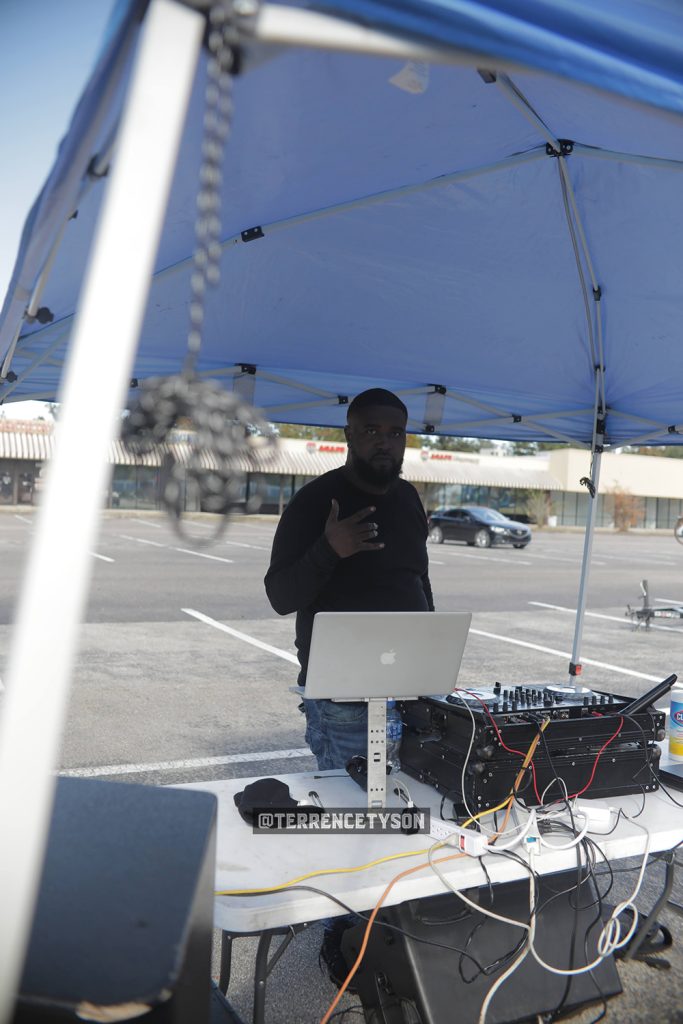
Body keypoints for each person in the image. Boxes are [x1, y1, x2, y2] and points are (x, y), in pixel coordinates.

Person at [264, 387, 434, 987]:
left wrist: (430, 648)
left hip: (408, 686)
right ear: (349, 434)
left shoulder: (408, 499)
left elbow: (418, 579)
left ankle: (388, 921)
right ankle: (344, 937)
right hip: (341, 700)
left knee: (400, 815)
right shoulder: (316, 502)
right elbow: (280, 594)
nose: (385, 442)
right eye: (371, 431)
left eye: (395, 432)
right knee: (352, 821)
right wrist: (329, 549)